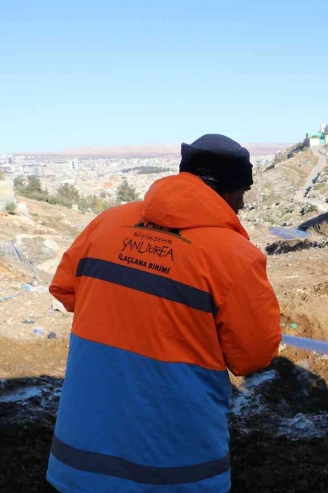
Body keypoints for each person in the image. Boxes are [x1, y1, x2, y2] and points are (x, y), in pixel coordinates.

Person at [46, 134, 282, 492]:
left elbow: (64, 290)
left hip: (78, 462)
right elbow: (253, 356)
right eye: (242, 192)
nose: (243, 205)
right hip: (176, 470)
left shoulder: (107, 223)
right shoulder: (236, 256)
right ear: (225, 190)